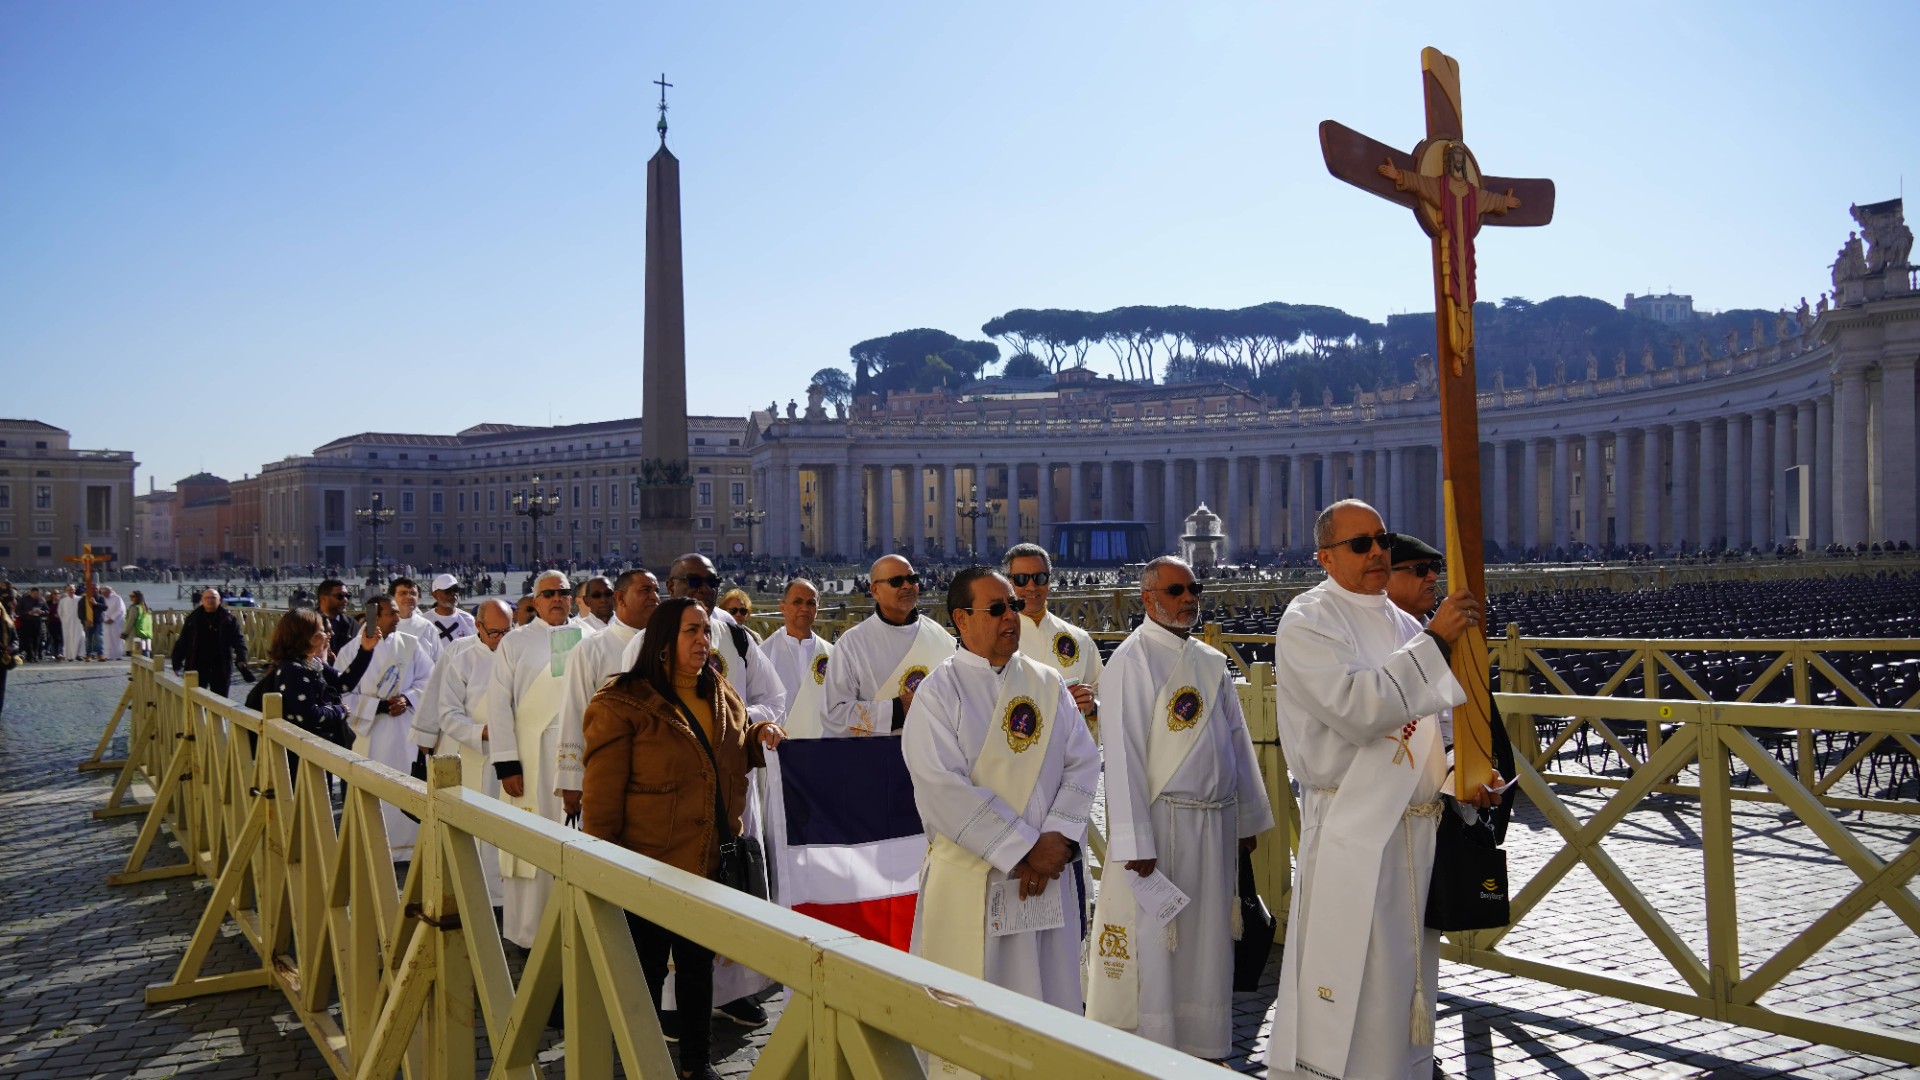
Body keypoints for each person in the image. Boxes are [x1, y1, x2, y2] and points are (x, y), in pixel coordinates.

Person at [1266, 500, 1485, 1080]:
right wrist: (1435, 644)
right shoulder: (1309, 618)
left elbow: (1432, 729)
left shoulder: (1405, 623)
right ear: (1326, 557)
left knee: (1403, 982)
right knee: (1352, 982)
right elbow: (1356, 710)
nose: (1378, 553)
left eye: (1382, 539)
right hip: (1351, 826)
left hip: (1414, 829)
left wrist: (1462, 776)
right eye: (1360, 544)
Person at [581, 597, 785, 1080]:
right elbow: (602, 797)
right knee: (645, 973)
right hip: (647, 863)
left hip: (708, 861)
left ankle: (696, 1064)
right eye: (692, 631)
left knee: (697, 971)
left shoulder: (721, 692)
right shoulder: (621, 703)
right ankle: (641, 1063)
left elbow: (731, 752)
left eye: (706, 632)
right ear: (665, 643)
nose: (704, 641)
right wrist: (603, 866)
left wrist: (759, 739)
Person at [1086, 555, 1273, 1061]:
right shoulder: (1131, 659)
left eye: (1193, 588)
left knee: (1207, 946)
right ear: (1148, 599)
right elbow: (1121, 754)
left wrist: (1248, 819)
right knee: (1159, 945)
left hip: (1214, 825)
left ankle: (1202, 1047)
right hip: (1162, 828)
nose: (1188, 598)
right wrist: (1133, 840)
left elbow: (1237, 744)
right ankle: (1152, 1047)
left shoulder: (1211, 661)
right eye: (1175, 591)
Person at [904, 568, 1099, 1021]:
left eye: (1013, 605)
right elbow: (941, 787)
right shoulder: (937, 692)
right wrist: (1026, 848)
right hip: (975, 880)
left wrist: (1058, 838)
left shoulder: (1048, 683)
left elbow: (1083, 762)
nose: (1012, 615)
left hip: (1046, 881)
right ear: (962, 618)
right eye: (997, 609)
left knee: (1049, 1006)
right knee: (975, 1016)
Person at [616, 553, 786, 1026]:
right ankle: (668, 1007)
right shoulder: (647, 644)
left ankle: (732, 991)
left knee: (731, 887)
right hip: (671, 798)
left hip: (731, 786)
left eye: (712, 580)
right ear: (671, 585)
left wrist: (743, 727)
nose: (705, 588)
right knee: (675, 901)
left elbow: (772, 698)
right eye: (694, 580)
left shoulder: (735, 634)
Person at [486, 569, 593, 948]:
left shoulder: (590, 638)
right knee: (531, 845)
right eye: (548, 593)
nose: (557, 599)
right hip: (530, 759)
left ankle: (580, 927)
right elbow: (499, 705)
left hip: (580, 755)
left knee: (578, 840)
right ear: (535, 600)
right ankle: (530, 932)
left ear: (573, 598)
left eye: (563, 592)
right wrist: (507, 764)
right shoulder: (515, 643)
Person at [414, 598, 515, 911]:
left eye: (507, 631)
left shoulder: (519, 652)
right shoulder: (461, 654)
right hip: (469, 752)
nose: (500, 639)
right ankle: (468, 889)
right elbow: (446, 710)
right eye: (494, 632)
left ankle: (504, 893)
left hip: (510, 755)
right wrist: (480, 732)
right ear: (478, 626)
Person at [335, 595, 436, 862]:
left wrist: (408, 698)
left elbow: (430, 679)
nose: (397, 618)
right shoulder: (350, 651)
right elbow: (340, 695)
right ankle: (374, 847)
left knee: (407, 785)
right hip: (370, 735)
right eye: (390, 613)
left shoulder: (410, 645)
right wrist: (375, 707)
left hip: (405, 731)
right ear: (374, 617)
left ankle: (411, 847)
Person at [555, 568, 659, 823]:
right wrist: (571, 780)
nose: (655, 597)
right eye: (645, 590)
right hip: (609, 772)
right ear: (621, 599)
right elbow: (574, 712)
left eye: (657, 590)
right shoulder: (590, 649)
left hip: (660, 774)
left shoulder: (668, 645)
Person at [822, 555, 954, 738]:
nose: (907, 586)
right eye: (896, 581)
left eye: (912, 579)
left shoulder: (941, 637)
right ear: (875, 590)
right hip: (879, 756)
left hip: (934, 753)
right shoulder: (852, 644)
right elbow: (835, 715)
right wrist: (897, 710)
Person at [1004, 543, 1103, 734]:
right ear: (1007, 582)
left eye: (1040, 578)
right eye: (1021, 579)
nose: (1031, 586)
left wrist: (1092, 707)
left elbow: (1107, 696)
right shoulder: (992, 640)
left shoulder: (1080, 639)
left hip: (1071, 757)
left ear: (1049, 581)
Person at [244, 608, 353, 748]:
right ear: (307, 637)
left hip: (308, 747)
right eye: (320, 631)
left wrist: (366, 650)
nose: (326, 635)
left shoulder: (310, 662)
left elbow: (344, 682)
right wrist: (341, 710)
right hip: (301, 752)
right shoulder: (293, 670)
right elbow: (309, 716)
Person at [759, 578, 832, 737]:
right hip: (780, 746)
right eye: (797, 602)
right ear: (783, 607)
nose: (804, 608)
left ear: (817, 609)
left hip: (823, 745)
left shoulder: (832, 654)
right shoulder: (762, 654)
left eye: (811, 603)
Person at [170, 588, 252, 696]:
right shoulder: (193, 618)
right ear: (202, 600)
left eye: (213, 598)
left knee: (220, 701)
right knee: (195, 700)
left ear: (219, 600)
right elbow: (183, 641)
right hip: (196, 665)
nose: (210, 600)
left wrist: (242, 658)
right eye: (207, 598)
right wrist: (176, 664)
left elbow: (238, 640)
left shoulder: (228, 619)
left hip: (220, 666)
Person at [389, 578, 443, 662]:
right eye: (403, 593)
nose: (409, 597)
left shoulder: (427, 627)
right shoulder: (378, 625)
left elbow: (439, 661)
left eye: (413, 593)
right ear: (392, 597)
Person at [426, 573, 476, 648]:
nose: (453, 594)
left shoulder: (468, 620)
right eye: (447, 591)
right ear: (435, 595)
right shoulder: (424, 622)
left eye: (455, 589)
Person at [315, 579, 357, 662]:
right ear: (323, 598)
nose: (345, 600)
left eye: (347, 596)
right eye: (340, 596)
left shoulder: (353, 624)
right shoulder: (307, 623)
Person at [16, 588, 46, 663]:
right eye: (34, 594)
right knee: (27, 639)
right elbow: (18, 611)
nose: (36, 595)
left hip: (37, 621)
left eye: (37, 594)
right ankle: (30, 655)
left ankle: (35, 655)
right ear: (31, 593)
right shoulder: (24, 600)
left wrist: (42, 611)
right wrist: (27, 612)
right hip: (26, 621)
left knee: (37, 639)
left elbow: (47, 610)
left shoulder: (41, 600)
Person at [125, 591, 154, 658]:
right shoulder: (146, 608)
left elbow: (131, 621)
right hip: (146, 632)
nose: (130, 598)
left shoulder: (134, 608)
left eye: (132, 596)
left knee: (138, 653)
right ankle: (148, 666)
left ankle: (143, 667)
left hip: (137, 633)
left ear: (137, 598)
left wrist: (125, 633)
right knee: (146, 651)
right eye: (130, 596)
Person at [58, 585, 83, 662]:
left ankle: (79, 654)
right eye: (69, 590)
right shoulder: (63, 601)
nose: (70, 591)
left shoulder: (80, 599)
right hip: (67, 622)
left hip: (78, 621)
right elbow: (60, 611)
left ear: (74, 590)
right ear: (66, 591)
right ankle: (69, 655)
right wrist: (64, 620)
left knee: (80, 637)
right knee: (68, 638)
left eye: (72, 590)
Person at [103, 585, 127, 660]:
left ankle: (118, 655)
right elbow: (102, 610)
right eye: (103, 593)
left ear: (110, 592)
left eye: (106, 592)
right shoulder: (102, 599)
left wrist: (112, 618)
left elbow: (120, 609)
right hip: (105, 621)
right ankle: (107, 655)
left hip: (116, 621)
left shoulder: (117, 598)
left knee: (116, 638)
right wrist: (105, 619)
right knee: (106, 638)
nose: (105, 594)